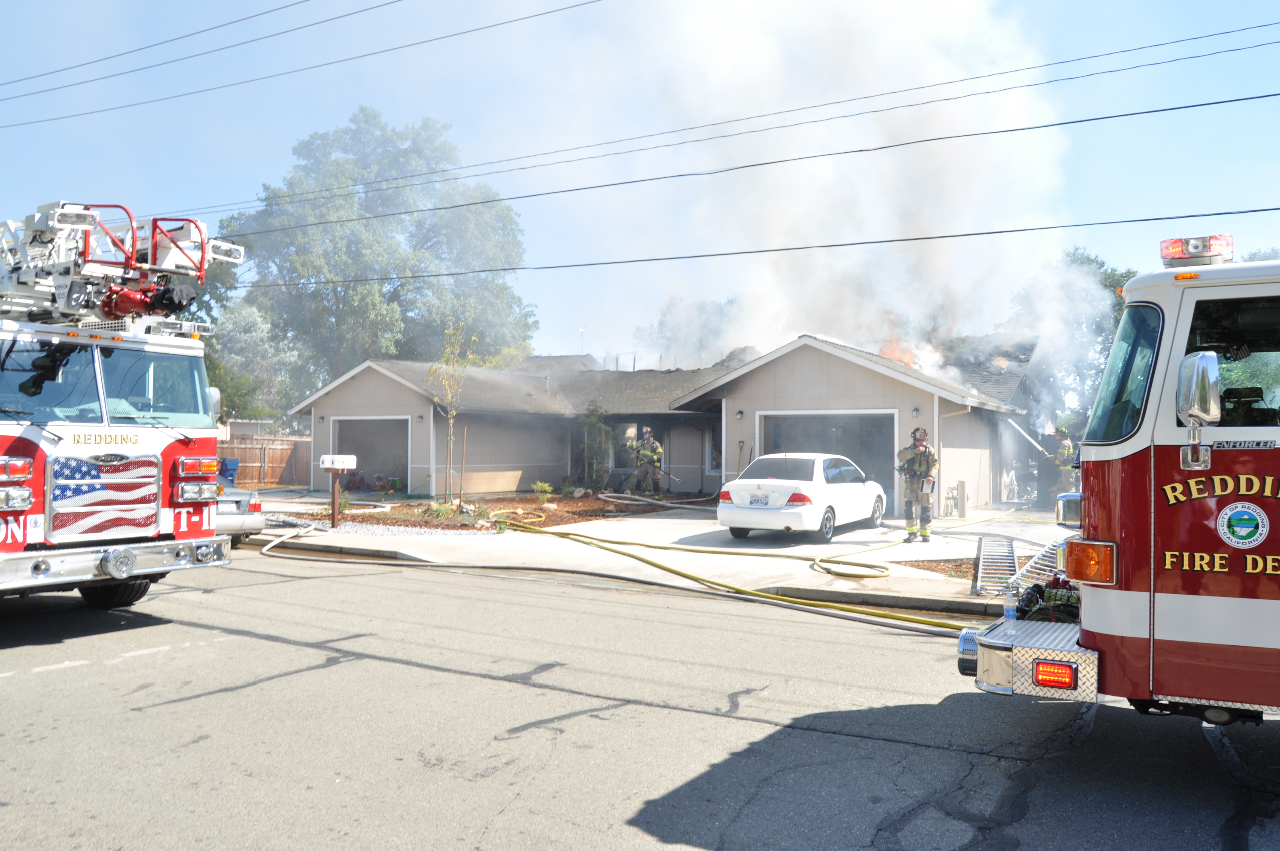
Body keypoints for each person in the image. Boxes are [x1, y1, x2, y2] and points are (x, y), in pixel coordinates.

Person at [897, 426, 939, 542]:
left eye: (921, 441)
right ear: (914, 439)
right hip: (910, 483)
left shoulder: (929, 450)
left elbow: (935, 464)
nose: (919, 443)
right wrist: (914, 452)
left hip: (925, 483)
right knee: (909, 509)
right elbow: (900, 456)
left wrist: (931, 476)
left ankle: (925, 534)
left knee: (926, 509)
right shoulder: (908, 449)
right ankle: (912, 533)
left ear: (925, 439)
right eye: (917, 441)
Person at [626, 427, 664, 495]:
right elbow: (634, 446)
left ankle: (657, 498)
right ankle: (638, 496)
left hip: (652, 466)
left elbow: (660, 454)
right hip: (642, 465)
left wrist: (653, 458)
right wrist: (627, 445)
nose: (645, 435)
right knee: (639, 481)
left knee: (656, 482)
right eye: (644, 434)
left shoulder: (655, 444)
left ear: (650, 434)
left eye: (646, 433)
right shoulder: (641, 442)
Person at [1053, 426, 1077, 495]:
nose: (1055, 435)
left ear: (1060, 435)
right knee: (1064, 486)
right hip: (1067, 470)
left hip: (1068, 470)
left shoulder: (1064, 443)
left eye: (1056, 434)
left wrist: (1056, 463)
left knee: (1069, 487)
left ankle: (1071, 503)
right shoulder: (1067, 442)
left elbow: (1062, 456)